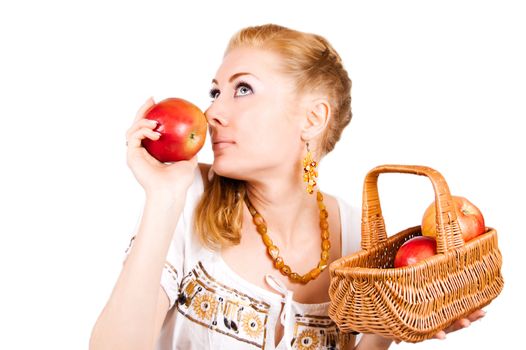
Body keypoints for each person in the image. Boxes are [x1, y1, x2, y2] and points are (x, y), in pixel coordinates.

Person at [89, 24, 485, 350]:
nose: (212, 113)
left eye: (242, 89)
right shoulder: (186, 198)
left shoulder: (354, 233)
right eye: (215, 92)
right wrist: (163, 198)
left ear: (313, 119)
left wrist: (387, 328)